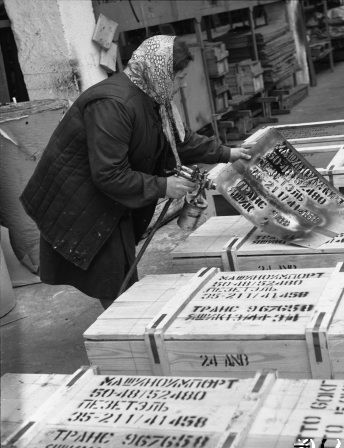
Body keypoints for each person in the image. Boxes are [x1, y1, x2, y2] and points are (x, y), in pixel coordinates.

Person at [20, 35, 252, 308]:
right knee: (112, 271)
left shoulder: (153, 95)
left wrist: (228, 154)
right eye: (179, 77)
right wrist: (164, 186)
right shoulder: (113, 105)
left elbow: (179, 141)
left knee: (118, 266)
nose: (183, 84)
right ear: (160, 72)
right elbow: (108, 174)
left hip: (107, 193)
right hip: (79, 197)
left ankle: (126, 317)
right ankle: (121, 332)